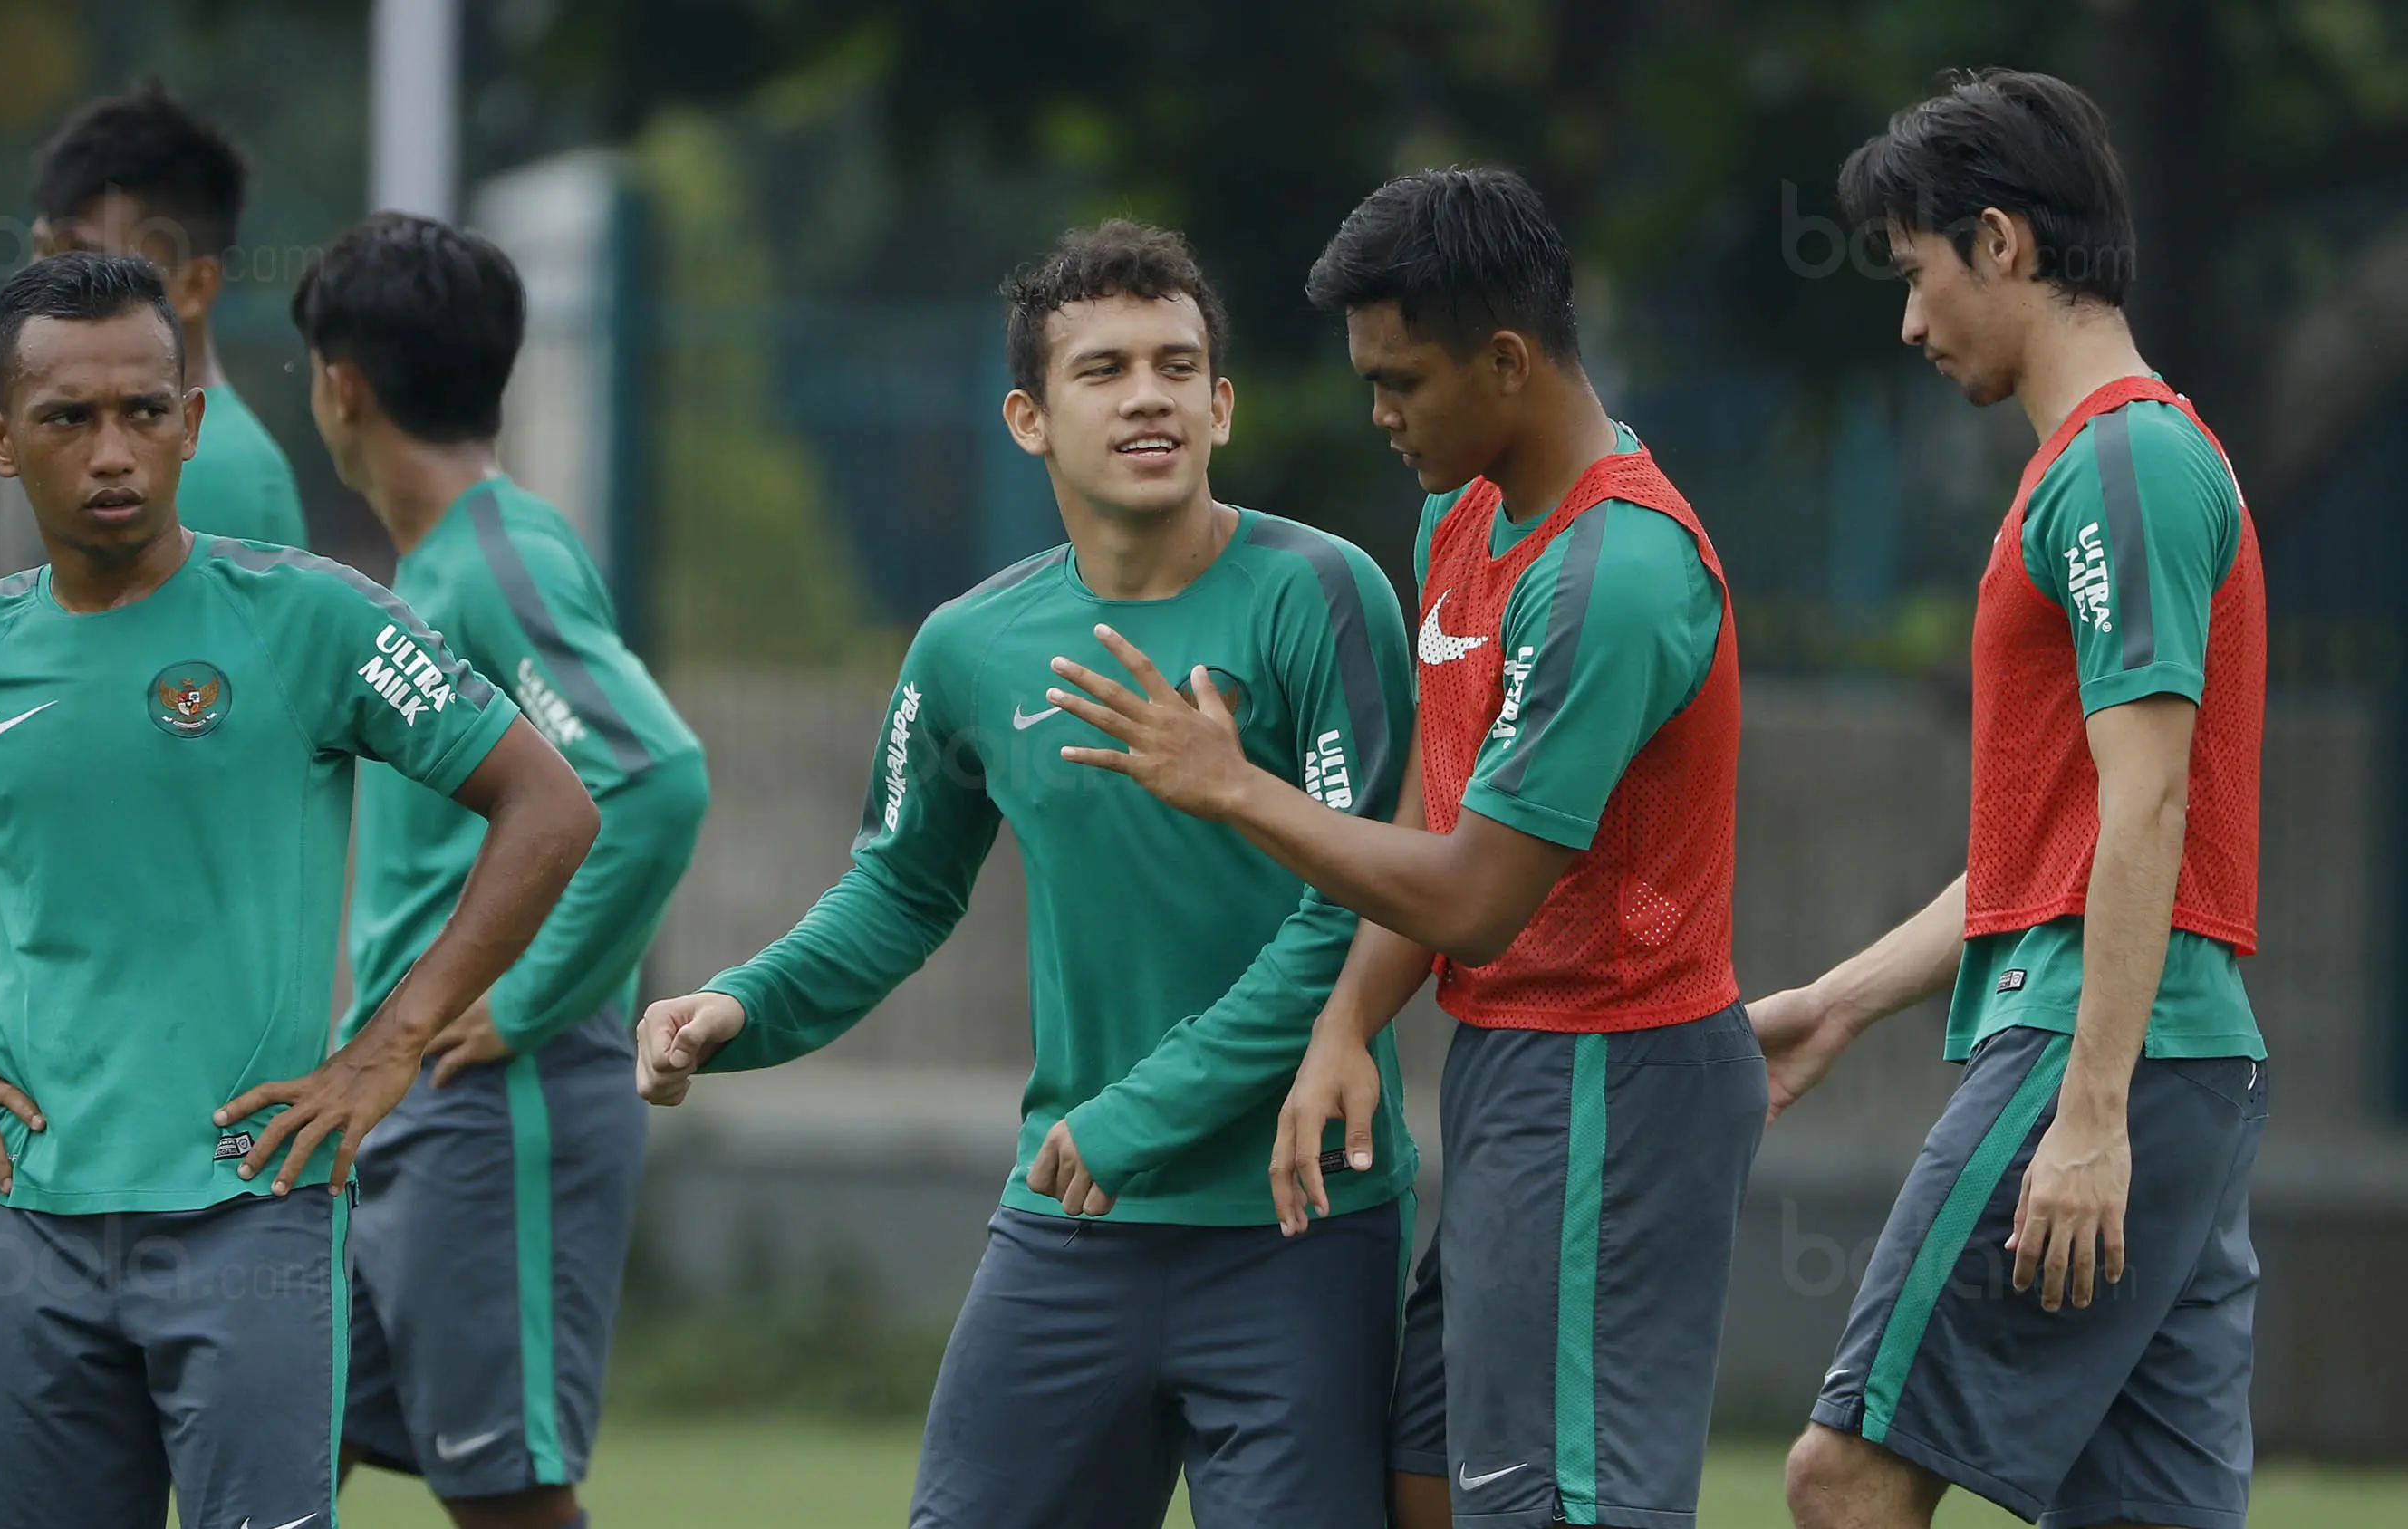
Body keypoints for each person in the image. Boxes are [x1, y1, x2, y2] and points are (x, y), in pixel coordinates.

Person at [0, 251, 597, 1529]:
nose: (112, 453)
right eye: (67, 419)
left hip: (253, 1216)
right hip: (36, 1228)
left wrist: (387, 1048)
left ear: (191, 423)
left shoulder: (312, 623)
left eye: (145, 412)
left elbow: (551, 805)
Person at [635, 220, 1419, 1529]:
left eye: (1178, 366)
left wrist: (1138, 1115)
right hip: (1072, 1224)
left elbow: (1359, 905)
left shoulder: (1323, 597)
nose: (1150, 395)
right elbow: (898, 886)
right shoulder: (966, 648)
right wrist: (744, 1005)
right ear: (1028, 420)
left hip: (1299, 1225)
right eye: (1104, 370)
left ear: (1222, 406)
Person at [1046, 168, 1766, 1529]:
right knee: (1429, 1485)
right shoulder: (1467, 517)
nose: (1379, 414)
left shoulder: (1612, 574)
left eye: (1403, 381)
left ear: (1506, 360)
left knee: (1557, 1507)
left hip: (1612, 1081)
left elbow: (1478, 896)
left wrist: (1239, 790)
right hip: (1512, 1074)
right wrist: (1345, 1023)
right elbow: (1436, 815)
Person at [1762, 71, 2269, 1529]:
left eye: (1919, 276)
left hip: (2103, 1057)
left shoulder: (2120, 463)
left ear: (1999, 243)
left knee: (1845, 1476)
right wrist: (1843, 1000)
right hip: (2177, 1067)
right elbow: (2050, 855)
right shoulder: (2111, 463)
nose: (1911, 324)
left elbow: (2148, 808)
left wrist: (2090, 1111)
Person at [299, 214, 708, 1529]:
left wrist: (522, 1002)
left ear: (339, 383)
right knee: (276, 1453)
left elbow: (654, 775)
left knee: (511, 1495)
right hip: (404, 1109)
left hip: (497, 1108)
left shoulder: (500, 557)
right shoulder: (444, 563)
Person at [32, 81, 309, 546]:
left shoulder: (207, 471)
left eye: (87, 261)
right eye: (44, 253)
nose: (48, 287)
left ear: (195, 286)